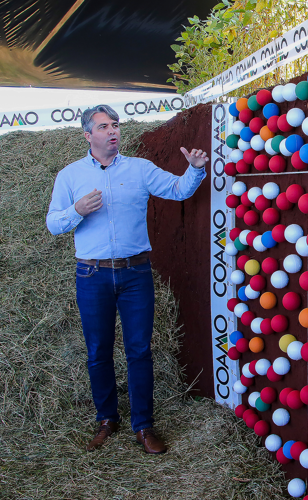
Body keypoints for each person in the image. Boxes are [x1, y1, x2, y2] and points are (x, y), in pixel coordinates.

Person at [46, 105, 208, 454]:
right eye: (104, 126)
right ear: (88, 135)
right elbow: (53, 224)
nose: (113, 131)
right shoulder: (70, 176)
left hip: (136, 273)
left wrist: (195, 169)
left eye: (116, 125)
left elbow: (178, 190)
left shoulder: (139, 169)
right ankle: (107, 420)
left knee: (139, 350)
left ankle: (143, 426)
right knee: (98, 351)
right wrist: (77, 211)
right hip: (92, 274)